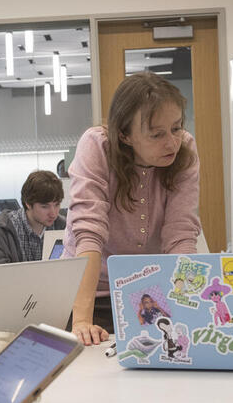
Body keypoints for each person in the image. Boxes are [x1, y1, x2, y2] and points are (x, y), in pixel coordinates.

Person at [64, 71, 201, 345]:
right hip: (88, 294)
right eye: (156, 134)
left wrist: (189, 310)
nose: (172, 142)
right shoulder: (97, 146)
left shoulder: (185, 149)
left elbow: (181, 235)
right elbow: (89, 233)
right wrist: (81, 322)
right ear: (124, 135)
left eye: (176, 128)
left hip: (145, 293)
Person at [0, 170, 66, 273]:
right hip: (14, 289)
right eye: (45, 207)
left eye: (57, 204)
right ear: (28, 203)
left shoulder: (64, 227)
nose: (53, 213)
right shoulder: (1, 230)